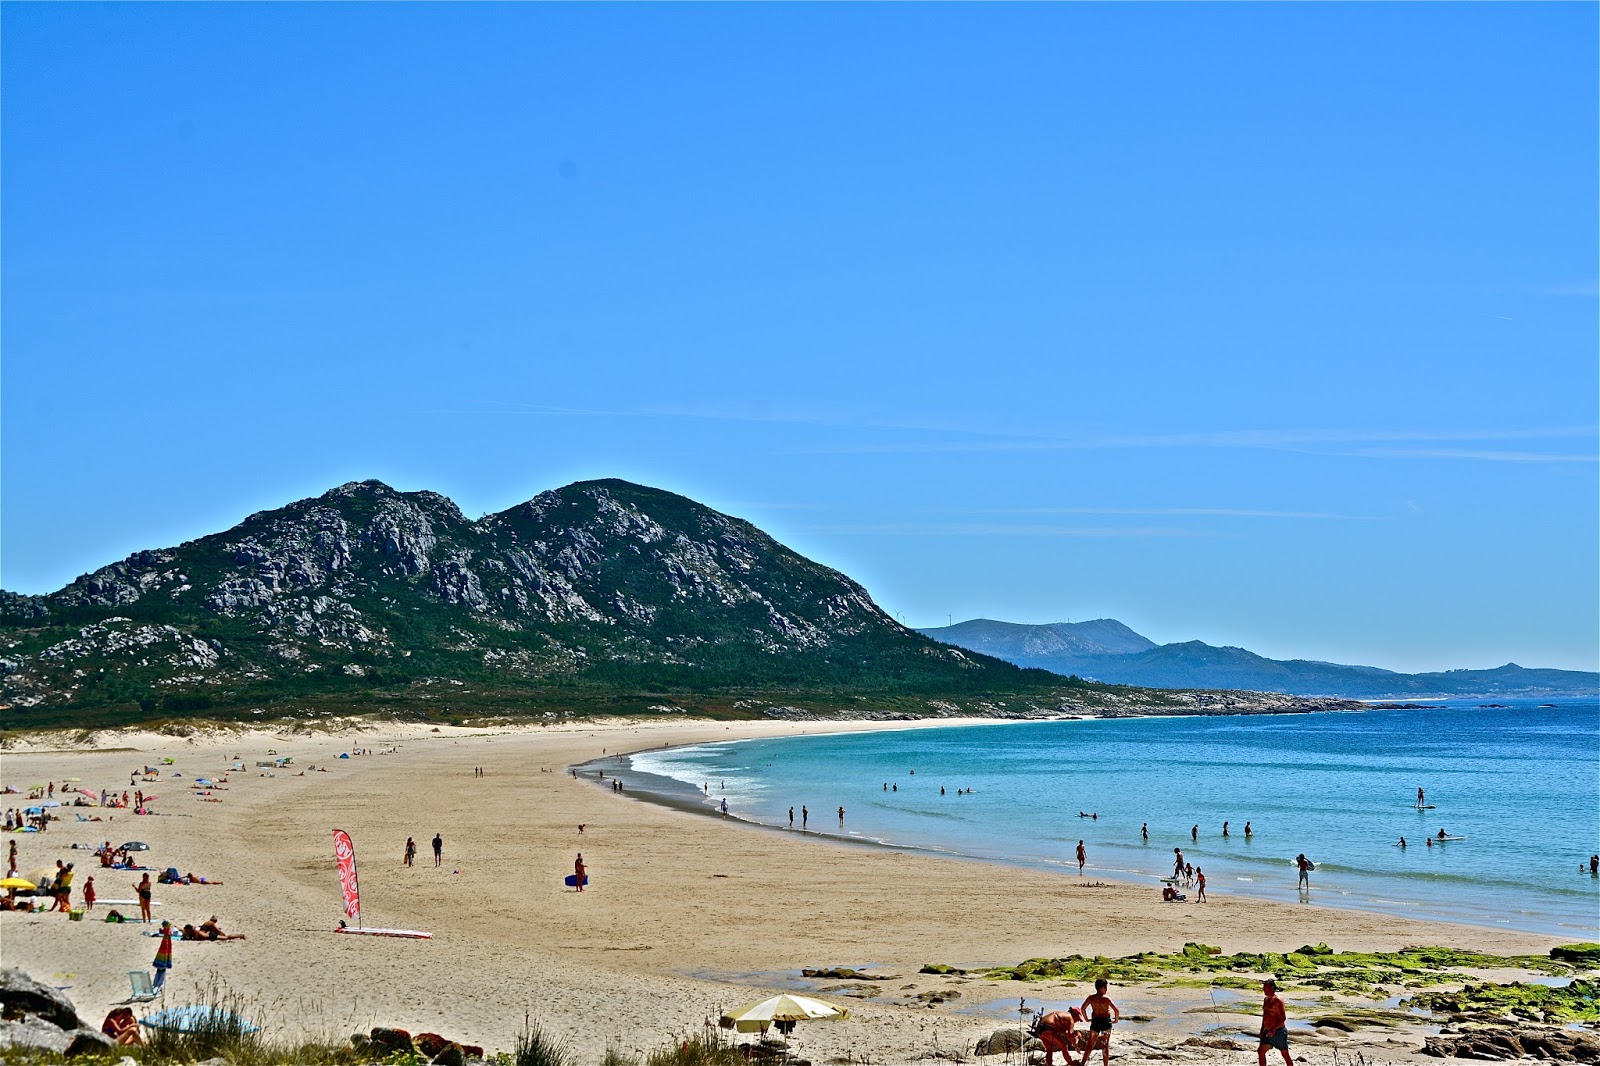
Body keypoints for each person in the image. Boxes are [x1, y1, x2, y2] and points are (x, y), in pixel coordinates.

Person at [1078, 978, 1120, 1066]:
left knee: (1090, 1044)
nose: (1106, 989)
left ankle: (1082, 1063)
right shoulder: (1106, 999)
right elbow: (1116, 1010)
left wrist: (1086, 1019)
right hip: (1105, 1022)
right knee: (1105, 1045)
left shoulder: (1091, 998)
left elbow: (1083, 1008)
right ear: (1102, 988)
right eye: (1105, 987)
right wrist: (1115, 1020)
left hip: (1095, 1021)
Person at [1257, 979, 1291, 1066]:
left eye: (1266, 987)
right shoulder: (1266, 1000)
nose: (1264, 989)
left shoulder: (1278, 1000)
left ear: (1272, 988)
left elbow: (1283, 1018)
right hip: (1267, 1031)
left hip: (1279, 1031)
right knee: (1261, 1051)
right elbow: (1265, 1016)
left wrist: (1273, 1029)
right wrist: (1262, 1030)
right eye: (1264, 987)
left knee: (1285, 1054)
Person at [151, 920, 173, 989]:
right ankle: (159, 984)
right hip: (165, 952)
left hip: (162, 952)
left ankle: (156, 984)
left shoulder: (166, 935)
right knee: (162, 969)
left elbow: (164, 931)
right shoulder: (168, 934)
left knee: (159, 969)